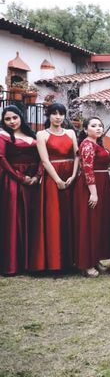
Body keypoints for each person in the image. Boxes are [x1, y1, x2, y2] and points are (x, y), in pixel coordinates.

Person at [31, 103, 79, 272]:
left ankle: (73, 259)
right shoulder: (41, 134)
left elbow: (77, 155)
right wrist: (57, 179)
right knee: (54, 216)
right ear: (49, 115)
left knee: (71, 216)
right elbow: (44, 161)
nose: (58, 117)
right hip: (52, 178)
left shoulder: (71, 133)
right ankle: (55, 261)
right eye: (54, 114)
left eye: (61, 114)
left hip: (71, 175)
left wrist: (73, 175)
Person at [0, 105, 41, 275]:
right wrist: (20, 178)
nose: (11, 122)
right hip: (13, 181)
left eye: (14, 118)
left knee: (33, 219)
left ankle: (32, 262)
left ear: (21, 118)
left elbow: (41, 157)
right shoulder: (2, 135)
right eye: (7, 119)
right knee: (14, 219)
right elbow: (1, 158)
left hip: (33, 183)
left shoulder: (32, 135)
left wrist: (37, 176)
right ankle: (13, 264)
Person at [73, 117, 110, 277]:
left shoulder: (97, 144)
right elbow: (87, 169)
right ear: (85, 130)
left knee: (99, 223)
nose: (98, 128)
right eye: (93, 126)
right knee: (89, 224)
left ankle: (95, 258)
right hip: (91, 187)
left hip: (103, 183)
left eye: (100, 125)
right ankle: (86, 263)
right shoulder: (87, 144)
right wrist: (93, 192)